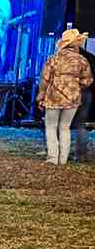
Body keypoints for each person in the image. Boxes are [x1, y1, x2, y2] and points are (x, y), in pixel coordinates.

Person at [37, 29, 93, 166]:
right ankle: (63, 159)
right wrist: (75, 84)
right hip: (73, 98)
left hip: (53, 96)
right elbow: (88, 81)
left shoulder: (53, 59)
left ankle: (52, 158)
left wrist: (41, 95)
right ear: (75, 44)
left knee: (51, 127)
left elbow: (44, 79)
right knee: (65, 127)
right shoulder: (82, 60)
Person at [71, 37, 95, 162]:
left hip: (70, 94)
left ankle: (60, 153)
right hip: (87, 93)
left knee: (62, 123)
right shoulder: (90, 57)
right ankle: (80, 155)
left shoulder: (64, 59)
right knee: (81, 124)